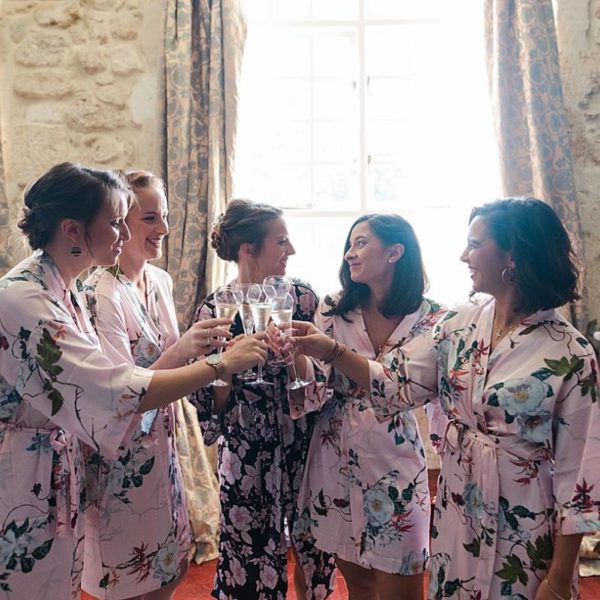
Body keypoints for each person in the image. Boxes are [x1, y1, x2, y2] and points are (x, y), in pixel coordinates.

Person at [289, 198, 600, 600]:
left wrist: (558, 579)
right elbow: (396, 380)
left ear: (513, 255)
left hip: (523, 519)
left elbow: (580, 478)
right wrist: (328, 350)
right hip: (458, 505)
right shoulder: (461, 322)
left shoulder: (570, 354)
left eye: (474, 245)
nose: (463, 256)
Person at [0, 163, 267, 599]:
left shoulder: (62, 287)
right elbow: (114, 390)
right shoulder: (23, 298)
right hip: (23, 479)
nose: (123, 233)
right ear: (72, 229)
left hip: (59, 473)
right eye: (114, 221)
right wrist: (221, 365)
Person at [286, 214, 445, 600]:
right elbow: (314, 385)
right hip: (335, 453)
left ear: (395, 252)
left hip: (397, 456)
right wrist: (293, 355)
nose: (349, 253)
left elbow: (406, 384)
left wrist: (333, 351)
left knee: (404, 579)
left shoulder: (433, 317)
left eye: (361, 243)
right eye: (349, 243)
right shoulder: (334, 308)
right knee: (359, 584)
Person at [82, 171, 223, 599]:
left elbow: (173, 364)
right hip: (119, 455)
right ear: (120, 222)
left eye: (164, 216)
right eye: (149, 218)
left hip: (165, 445)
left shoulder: (159, 281)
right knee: (129, 582)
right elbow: (120, 395)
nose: (163, 229)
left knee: (172, 570)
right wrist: (189, 350)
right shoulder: (97, 291)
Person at [191, 199, 336, 600]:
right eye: (282, 242)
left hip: (305, 445)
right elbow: (210, 407)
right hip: (245, 452)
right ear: (247, 250)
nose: (291, 251)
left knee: (316, 554)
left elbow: (321, 384)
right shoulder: (213, 310)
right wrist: (225, 369)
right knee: (246, 559)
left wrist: (295, 360)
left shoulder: (305, 299)